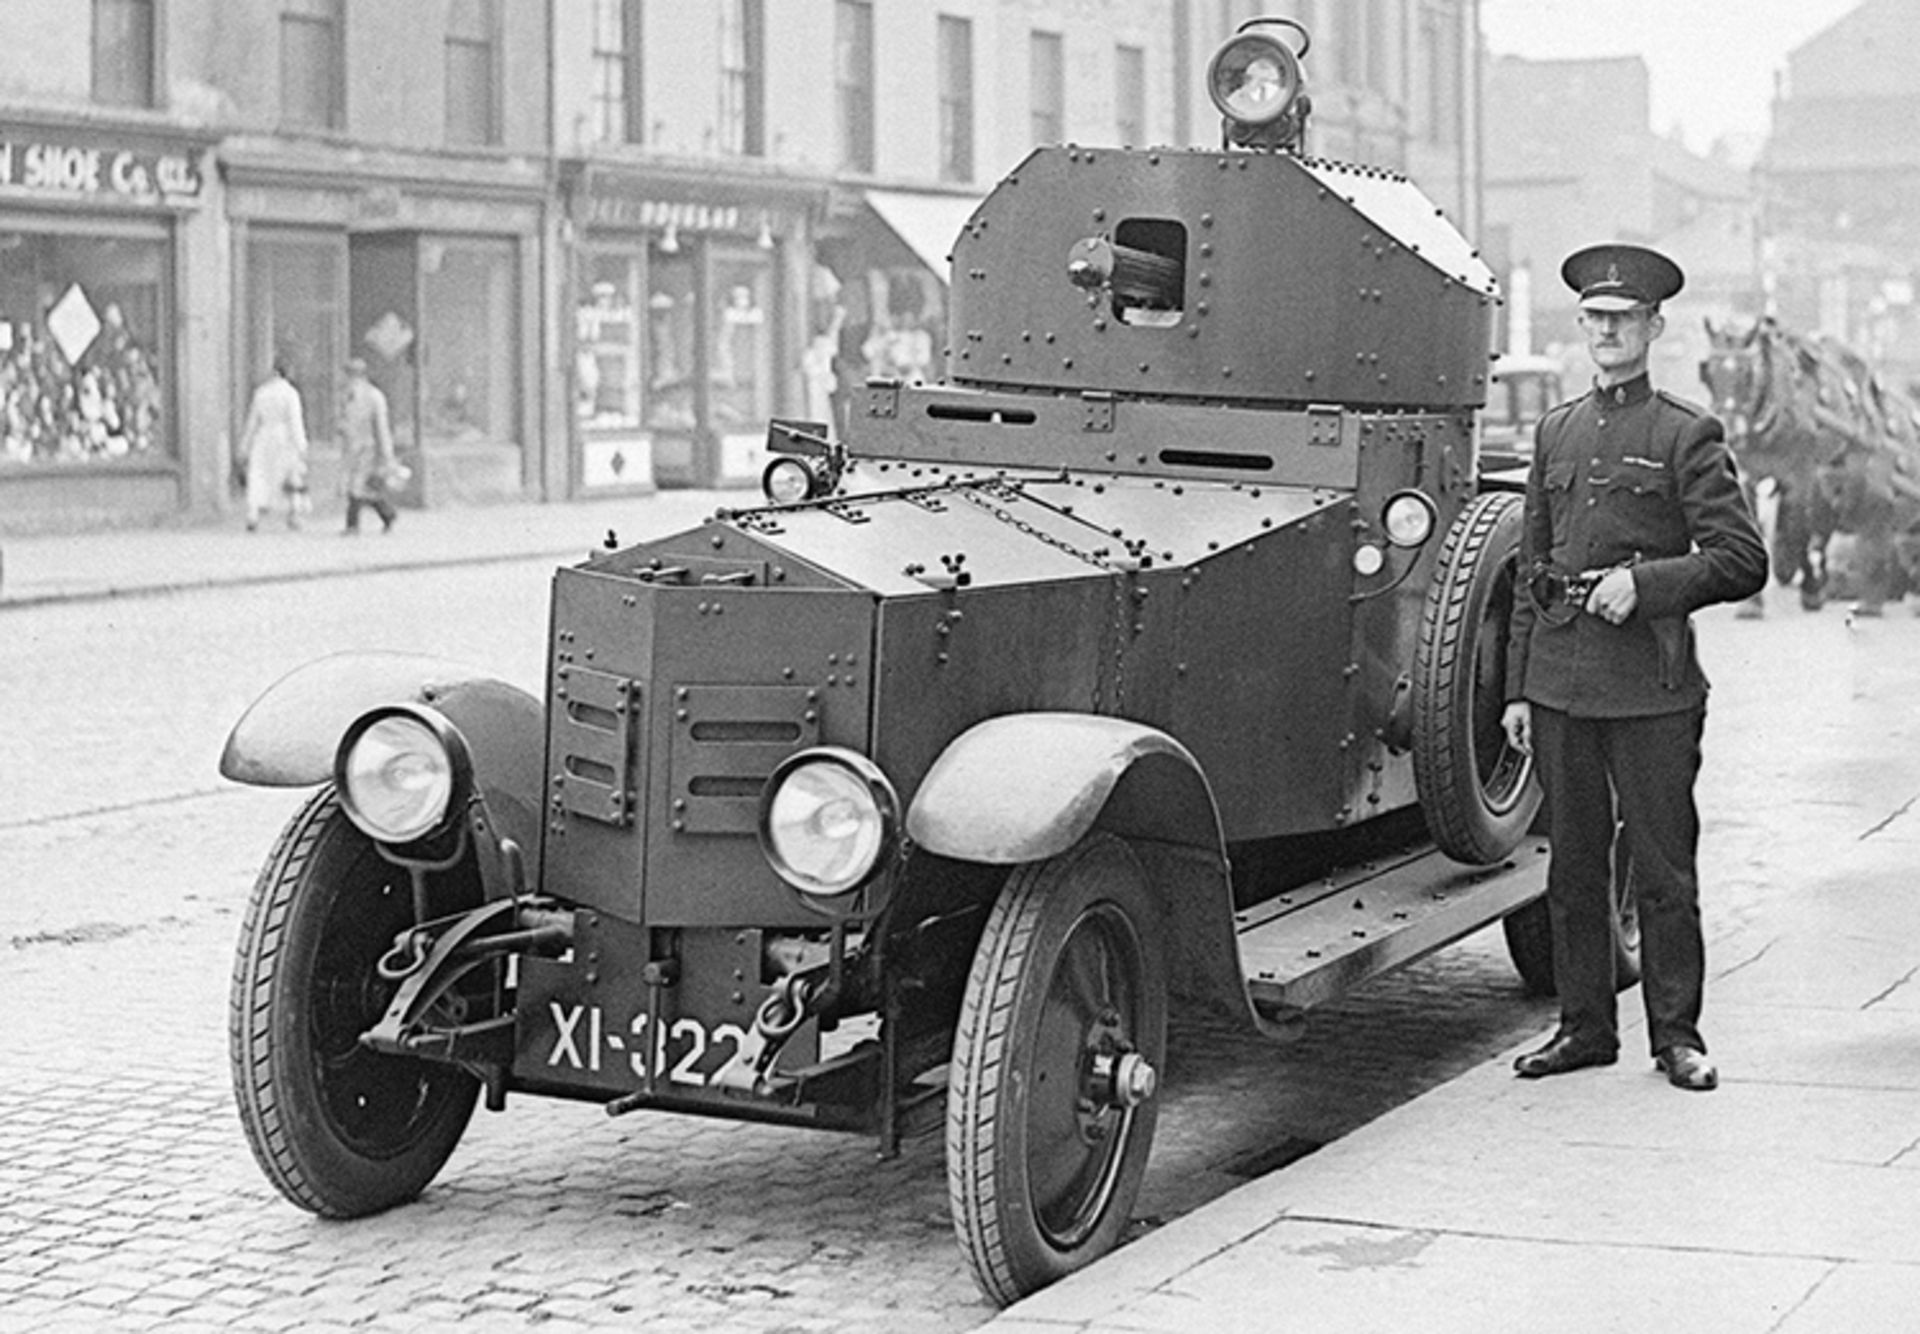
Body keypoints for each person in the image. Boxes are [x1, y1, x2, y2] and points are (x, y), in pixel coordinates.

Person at [1502, 243, 1768, 1092]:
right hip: (1560, 684)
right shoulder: (1558, 429)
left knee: (1661, 869)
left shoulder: (1686, 433)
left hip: (1651, 687)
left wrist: (1645, 585)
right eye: (1595, 318)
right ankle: (1584, 1028)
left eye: (1624, 319)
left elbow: (1741, 559)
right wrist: (1516, 690)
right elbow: (1531, 573)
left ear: (1654, 328)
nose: (1608, 331)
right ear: (1582, 325)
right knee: (1572, 868)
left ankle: (1676, 1037)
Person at [238, 358, 310, 532]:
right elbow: (295, 421)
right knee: (290, 475)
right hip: (284, 438)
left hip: (263, 436)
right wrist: (301, 445)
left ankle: (253, 514)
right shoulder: (290, 394)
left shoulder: (261, 393)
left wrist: (244, 445)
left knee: (259, 474)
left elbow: (252, 421)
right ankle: (293, 513)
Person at [338, 357, 401, 535]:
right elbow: (347, 420)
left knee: (356, 485)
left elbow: (381, 426)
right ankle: (387, 513)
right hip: (352, 447)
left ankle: (352, 525)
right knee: (363, 487)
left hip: (368, 448)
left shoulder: (374, 396)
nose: (350, 380)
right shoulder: (347, 396)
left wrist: (387, 454)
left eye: (352, 375)